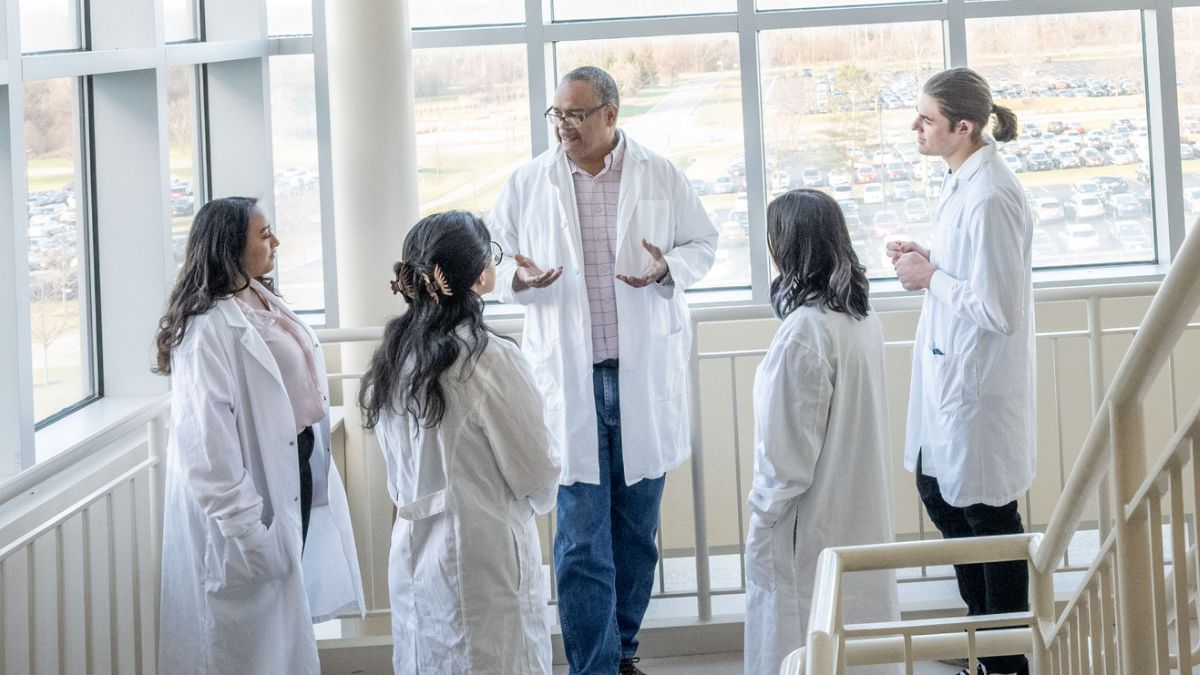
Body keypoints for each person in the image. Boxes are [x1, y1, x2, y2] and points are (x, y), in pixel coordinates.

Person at [488, 65, 717, 675]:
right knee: (580, 540)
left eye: (577, 114)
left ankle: (624, 652)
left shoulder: (658, 174)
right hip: (570, 380)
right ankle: (596, 666)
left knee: (635, 534)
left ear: (611, 115)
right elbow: (491, 252)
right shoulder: (528, 181)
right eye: (557, 114)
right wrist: (519, 278)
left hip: (640, 378)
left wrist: (667, 266)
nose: (563, 125)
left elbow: (705, 243)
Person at [154, 196, 364, 675]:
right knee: (246, 648)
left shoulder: (262, 298)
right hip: (249, 506)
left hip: (294, 473)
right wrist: (248, 530)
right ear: (231, 245)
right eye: (264, 233)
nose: (275, 241)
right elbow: (206, 447)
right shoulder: (206, 329)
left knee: (283, 635)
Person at [359, 210, 561, 674]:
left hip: (415, 554)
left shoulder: (394, 358)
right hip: (482, 557)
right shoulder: (486, 358)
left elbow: (398, 477)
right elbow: (537, 470)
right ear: (478, 275)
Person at [888, 67, 1035, 675]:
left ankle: (1004, 661)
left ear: (964, 127)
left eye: (926, 118)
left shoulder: (992, 195)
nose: (914, 126)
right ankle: (983, 638)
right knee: (937, 489)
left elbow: (998, 308)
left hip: (977, 387)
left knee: (986, 517)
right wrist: (930, 258)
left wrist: (929, 278)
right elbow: (971, 273)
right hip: (951, 379)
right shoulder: (964, 181)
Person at [743, 189, 900, 675]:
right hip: (857, 514)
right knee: (859, 640)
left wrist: (761, 526)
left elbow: (785, 460)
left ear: (789, 247)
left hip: (806, 529)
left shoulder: (804, 334)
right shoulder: (858, 317)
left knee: (803, 648)